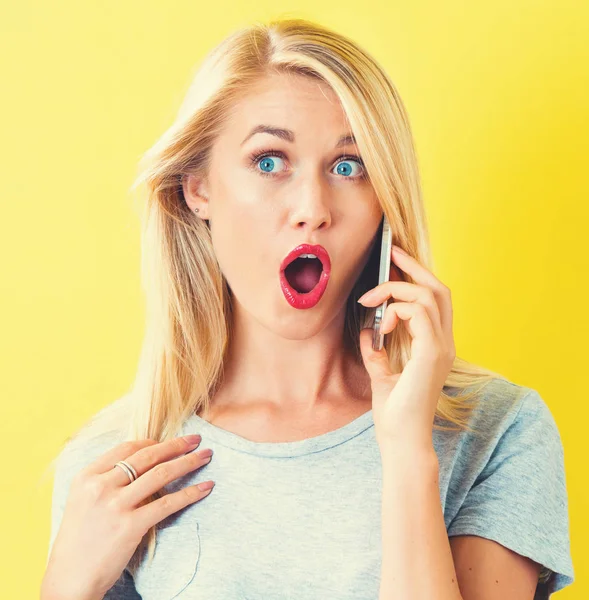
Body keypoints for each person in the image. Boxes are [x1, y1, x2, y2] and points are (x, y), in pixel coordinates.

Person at [41, 17, 574, 600]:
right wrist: (67, 587)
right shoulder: (113, 469)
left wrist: (406, 455)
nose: (312, 208)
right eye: (269, 161)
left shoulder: (497, 431)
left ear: (385, 203)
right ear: (199, 189)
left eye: (349, 166)